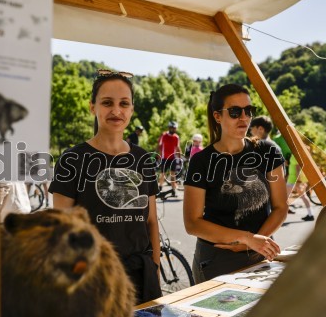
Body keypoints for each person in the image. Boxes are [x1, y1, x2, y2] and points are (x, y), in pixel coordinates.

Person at [49, 69, 161, 304]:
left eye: (124, 103)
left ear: (131, 110)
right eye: (107, 103)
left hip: (141, 277)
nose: (116, 111)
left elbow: (151, 222)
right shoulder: (73, 159)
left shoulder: (142, 159)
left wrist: (155, 267)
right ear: (93, 107)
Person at [183, 84, 288, 283]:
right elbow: (192, 223)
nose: (244, 118)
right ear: (217, 116)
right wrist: (247, 238)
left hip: (261, 253)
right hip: (216, 260)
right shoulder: (201, 161)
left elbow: (281, 207)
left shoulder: (268, 152)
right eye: (234, 112)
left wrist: (255, 241)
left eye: (248, 111)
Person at [158, 121, 183, 196]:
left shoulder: (176, 137)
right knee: (162, 174)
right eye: (172, 128)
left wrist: (180, 157)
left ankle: (173, 190)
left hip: (173, 158)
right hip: (164, 158)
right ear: (169, 128)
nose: (173, 129)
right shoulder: (164, 135)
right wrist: (158, 155)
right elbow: (159, 145)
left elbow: (178, 147)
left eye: (174, 128)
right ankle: (160, 188)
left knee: (173, 174)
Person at [286, 155, 314, 221]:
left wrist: (298, 182)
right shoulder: (295, 155)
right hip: (294, 180)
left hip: (293, 180)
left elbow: (298, 169)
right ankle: (310, 214)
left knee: (284, 197)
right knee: (304, 196)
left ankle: (281, 216)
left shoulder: (296, 156)